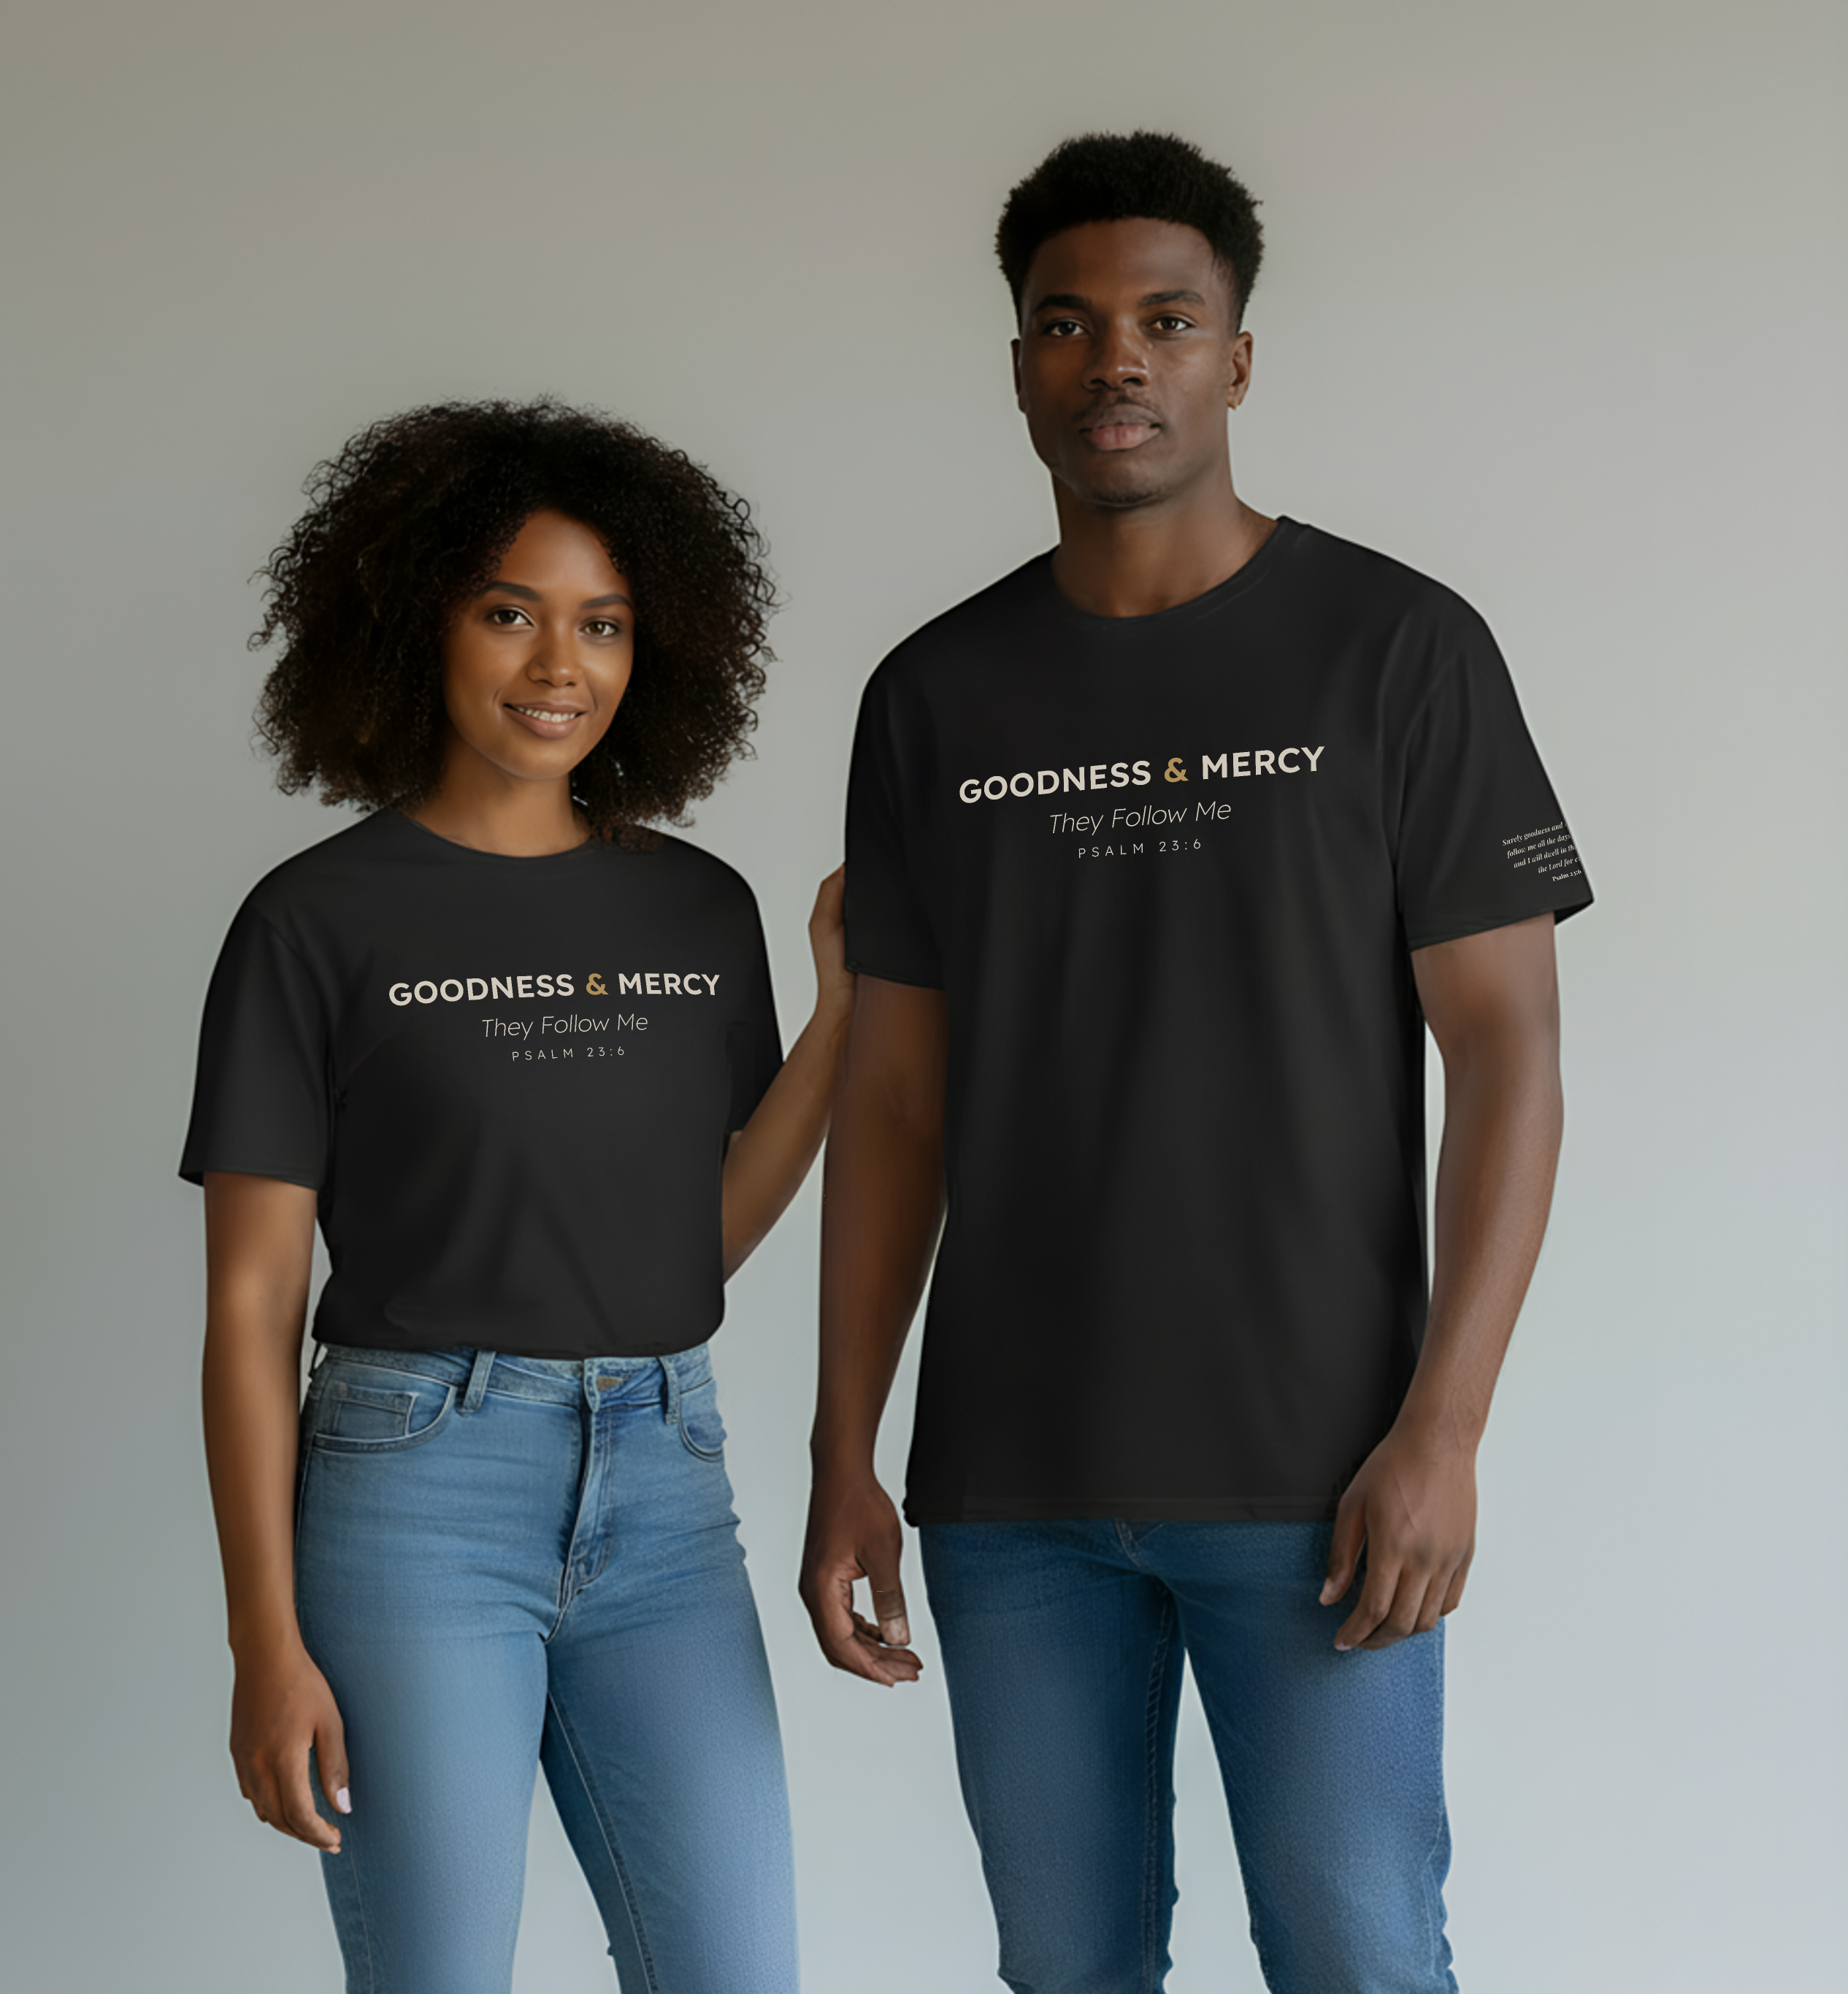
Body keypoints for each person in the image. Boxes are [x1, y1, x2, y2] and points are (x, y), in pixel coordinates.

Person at [800, 131, 1592, 1993]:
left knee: (1361, 1954)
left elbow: (1510, 1053)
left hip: (1319, 1479)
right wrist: (848, 1446)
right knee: (1068, 1974)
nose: (1117, 362)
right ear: (1018, 369)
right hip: (1012, 1491)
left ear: (1240, 357)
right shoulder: (933, 696)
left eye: (1168, 318)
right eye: (1066, 326)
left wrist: (1445, 1429)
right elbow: (894, 1102)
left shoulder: (1396, 650)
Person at [185, 399, 840, 1994]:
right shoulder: (313, 921)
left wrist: (846, 1016)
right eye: (511, 613)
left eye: (603, 624)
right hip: (418, 1490)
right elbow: (253, 1303)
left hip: (669, 1487)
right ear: (419, 625)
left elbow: (697, 1243)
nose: (561, 667)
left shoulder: (697, 904)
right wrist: (262, 1642)